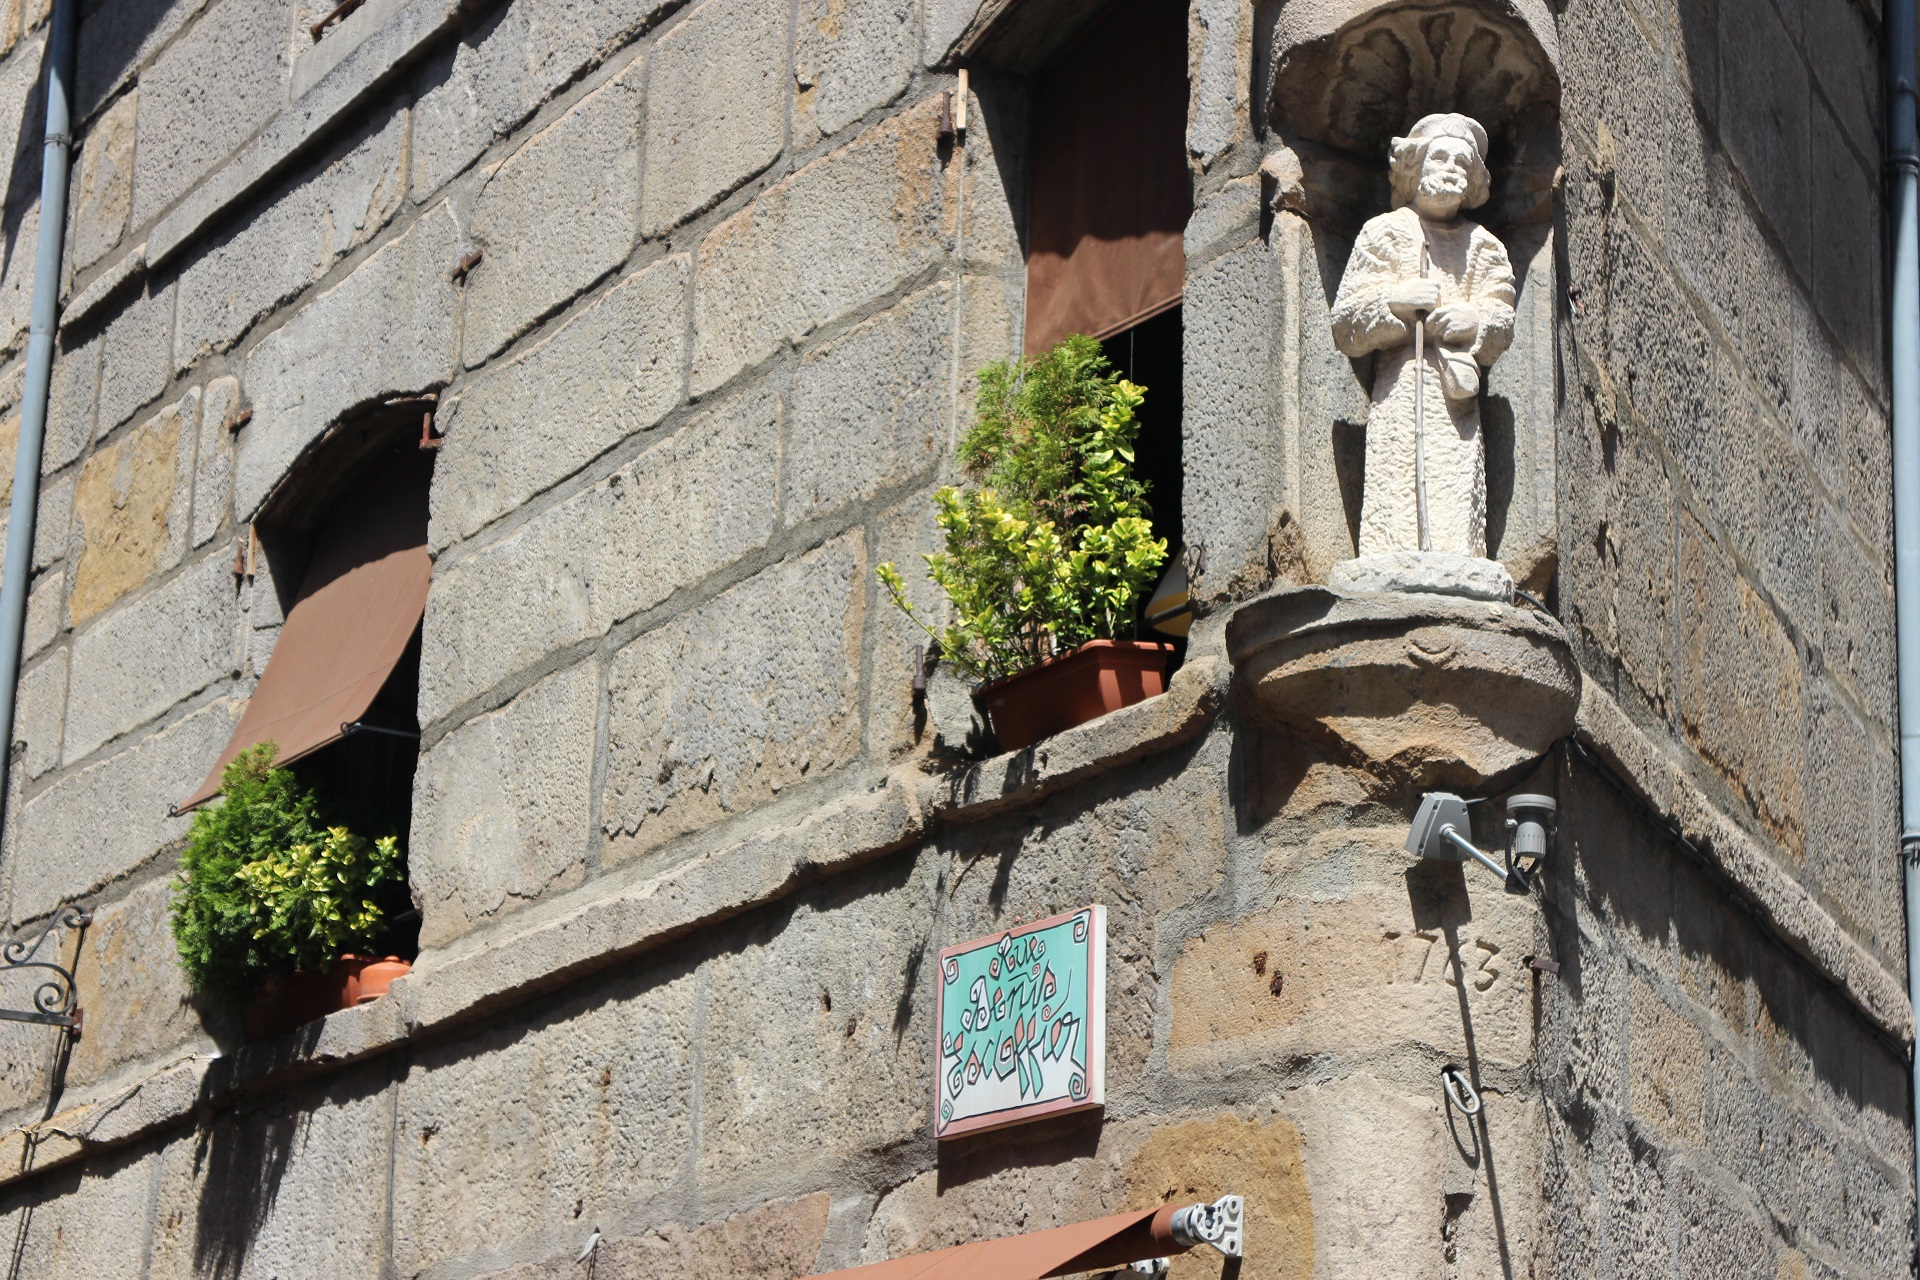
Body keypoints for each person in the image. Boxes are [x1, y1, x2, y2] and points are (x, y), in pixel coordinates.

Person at [1330, 113, 1516, 559]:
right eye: (1441, 157)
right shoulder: (1384, 232)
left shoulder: (1484, 245)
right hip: (1399, 390)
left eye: (1462, 162)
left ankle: (1457, 560)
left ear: (1473, 180)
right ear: (1416, 166)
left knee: (1455, 489)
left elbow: (1502, 318)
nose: (1452, 168)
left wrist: (1475, 322)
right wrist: (1396, 301)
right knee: (1396, 484)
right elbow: (1345, 324)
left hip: (1455, 400)